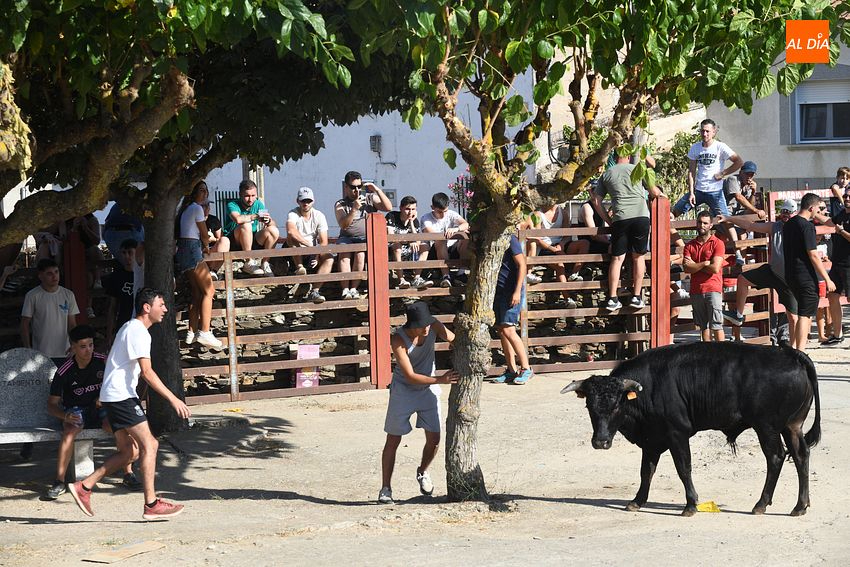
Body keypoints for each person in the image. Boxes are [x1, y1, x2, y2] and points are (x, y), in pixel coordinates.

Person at [68, 288, 191, 520]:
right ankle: (151, 504)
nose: (165, 309)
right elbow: (147, 372)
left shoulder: (131, 328)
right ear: (147, 307)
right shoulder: (138, 331)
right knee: (150, 445)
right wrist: (174, 399)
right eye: (161, 304)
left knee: (129, 451)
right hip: (120, 396)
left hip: (115, 396)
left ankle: (84, 487)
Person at [44, 325, 140, 500]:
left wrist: (105, 397)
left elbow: (120, 384)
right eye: (82, 346)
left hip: (102, 407)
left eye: (91, 345)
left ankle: (128, 473)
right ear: (72, 347)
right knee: (69, 431)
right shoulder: (64, 371)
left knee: (118, 426)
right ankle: (59, 481)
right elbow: (51, 405)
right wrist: (64, 416)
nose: (88, 350)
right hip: (76, 411)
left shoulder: (104, 362)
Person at [378, 301, 458, 504]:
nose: (427, 328)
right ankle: (386, 488)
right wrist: (441, 379)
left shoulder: (433, 325)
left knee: (435, 438)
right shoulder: (398, 339)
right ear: (412, 325)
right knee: (393, 439)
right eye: (423, 325)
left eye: (429, 323)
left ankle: (423, 472)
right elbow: (411, 376)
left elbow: (453, 339)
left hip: (428, 388)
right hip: (403, 390)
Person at [592, 152, 663, 312]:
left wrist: (609, 221)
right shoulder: (639, 168)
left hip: (620, 218)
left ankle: (612, 298)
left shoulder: (607, 174)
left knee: (617, 259)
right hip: (640, 217)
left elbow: (596, 201)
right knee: (639, 257)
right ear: (629, 157)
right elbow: (654, 192)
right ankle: (636, 297)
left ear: (614, 157)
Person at [718, 201, 799, 338]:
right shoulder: (775, 226)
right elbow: (750, 225)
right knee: (742, 279)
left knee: (793, 317)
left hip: (789, 278)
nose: (786, 215)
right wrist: (728, 218)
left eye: (789, 212)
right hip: (773, 271)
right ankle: (738, 315)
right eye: (784, 211)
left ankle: (796, 348)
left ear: (795, 214)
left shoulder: (799, 228)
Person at [782, 193, 835, 353]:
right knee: (805, 314)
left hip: (790, 274)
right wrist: (827, 279)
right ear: (811, 208)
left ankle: (796, 349)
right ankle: (800, 352)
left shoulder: (789, 224)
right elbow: (813, 254)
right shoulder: (807, 226)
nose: (819, 212)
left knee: (801, 312)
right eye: (818, 209)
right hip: (805, 275)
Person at [176, 181, 223, 349]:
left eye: (206, 191)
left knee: (196, 292)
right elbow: (204, 234)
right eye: (201, 190)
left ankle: (192, 332)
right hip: (192, 249)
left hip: (184, 250)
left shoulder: (185, 210)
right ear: (193, 192)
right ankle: (205, 332)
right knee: (209, 290)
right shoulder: (196, 208)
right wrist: (206, 244)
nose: (205, 193)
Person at [334, 171, 393, 299]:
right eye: (353, 187)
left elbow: (388, 208)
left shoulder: (369, 199)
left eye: (359, 186)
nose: (356, 190)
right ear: (346, 187)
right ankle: (345, 290)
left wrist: (377, 190)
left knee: (360, 255)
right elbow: (343, 225)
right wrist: (354, 209)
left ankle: (354, 289)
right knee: (344, 254)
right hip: (347, 238)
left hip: (364, 239)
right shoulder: (340, 204)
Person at [673, 119, 744, 219]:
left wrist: (723, 173)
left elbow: (739, 162)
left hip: (715, 191)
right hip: (699, 190)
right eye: (702, 131)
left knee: (726, 219)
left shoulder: (720, 147)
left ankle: (732, 234)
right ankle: (668, 231)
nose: (705, 134)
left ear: (714, 132)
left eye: (707, 131)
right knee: (676, 210)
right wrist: (692, 193)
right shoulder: (695, 148)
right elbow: (691, 172)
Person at [488, 233, 533, 385]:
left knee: (509, 329)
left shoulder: (510, 239)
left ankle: (526, 368)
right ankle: (511, 370)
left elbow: (522, 264)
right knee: (501, 330)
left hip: (511, 290)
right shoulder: (490, 237)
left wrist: (517, 291)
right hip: (497, 290)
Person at [21, 258, 79, 362]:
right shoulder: (32, 295)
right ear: (40, 276)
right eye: (49, 273)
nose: (54, 276)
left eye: (56, 272)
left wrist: (75, 344)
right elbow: (25, 324)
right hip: (40, 353)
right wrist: (28, 349)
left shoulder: (68, 295)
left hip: (65, 352)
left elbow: (72, 324)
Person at [285, 186, 334, 303]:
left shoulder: (319, 215)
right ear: (298, 201)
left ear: (313, 201)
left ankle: (315, 291)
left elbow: (323, 241)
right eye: (303, 201)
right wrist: (310, 246)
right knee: (292, 237)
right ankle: (299, 267)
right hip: (296, 250)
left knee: (329, 258)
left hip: (311, 251)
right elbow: (291, 231)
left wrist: (317, 254)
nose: (306, 203)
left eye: (308, 201)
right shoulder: (293, 213)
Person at [683, 211, 726, 342]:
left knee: (717, 325)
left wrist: (695, 266)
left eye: (705, 223)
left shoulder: (718, 243)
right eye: (700, 222)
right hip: (696, 290)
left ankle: (723, 357)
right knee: (703, 327)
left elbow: (715, 268)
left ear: (711, 225)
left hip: (713, 288)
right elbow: (686, 268)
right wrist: (704, 263)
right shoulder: (689, 245)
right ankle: (707, 358)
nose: (702, 225)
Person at [223, 179, 279, 277]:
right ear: (240, 194)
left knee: (273, 231)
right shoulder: (232, 204)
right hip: (234, 242)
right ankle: (248, 262)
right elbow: (238, 219)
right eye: (247, 196)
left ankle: (265, 263)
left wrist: (269, 220)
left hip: (252, 239)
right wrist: (256, 216)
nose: (250, 199)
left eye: (253, 196)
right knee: (246, 224)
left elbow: (272, 224)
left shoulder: (258, 204)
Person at [420, 192, 470, 288]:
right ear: (432, 207)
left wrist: (456, 229)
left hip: (452, 249)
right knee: (440, 240)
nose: (443, 215)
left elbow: (465, 224)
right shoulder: (426, 218)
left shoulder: (451, 214)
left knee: (465, 237)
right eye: (439, 212)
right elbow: (431, 233)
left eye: (445, 211)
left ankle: (461, 273)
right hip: (435, 251)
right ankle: (446, 276)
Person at [385, 196, 433, 290]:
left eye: (413, 209)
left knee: (425, 247)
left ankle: (417, 278)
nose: (410, 212)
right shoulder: (392, 216)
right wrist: (410, 240)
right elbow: (391, 237)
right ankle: (401, 280)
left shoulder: (414, 221)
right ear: (401, 208)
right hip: (392, 250)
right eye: (407, 209)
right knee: (397, 245)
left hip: (408, 251)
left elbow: (417, 239)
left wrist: (411, 221)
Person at [825, 192, 850, 344]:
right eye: (846, 196)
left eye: (849, 196)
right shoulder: (841, 214)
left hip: (849, 265)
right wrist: (811, 213)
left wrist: (841, 231)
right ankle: (838, 335)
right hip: (837, 263)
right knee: (832, 297)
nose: (847, 198)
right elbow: (829, 222)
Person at [103, 239, 137, 347]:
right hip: (123, 323)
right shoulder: (116, 277)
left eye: (130, 252)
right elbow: (112, 308)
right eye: (124, 253)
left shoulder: (143, 275)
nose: (127, 256)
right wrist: (109, 335)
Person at [203, 202, 229, 276]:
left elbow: (220, 238)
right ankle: (210, 271)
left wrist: (213, 239)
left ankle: (212, 271)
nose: (205, 209)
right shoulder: (192, 220)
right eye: (202, 206)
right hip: (199, 251)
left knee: (225, 241)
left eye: (207, 206)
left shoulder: (213, 220)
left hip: (212, 251)